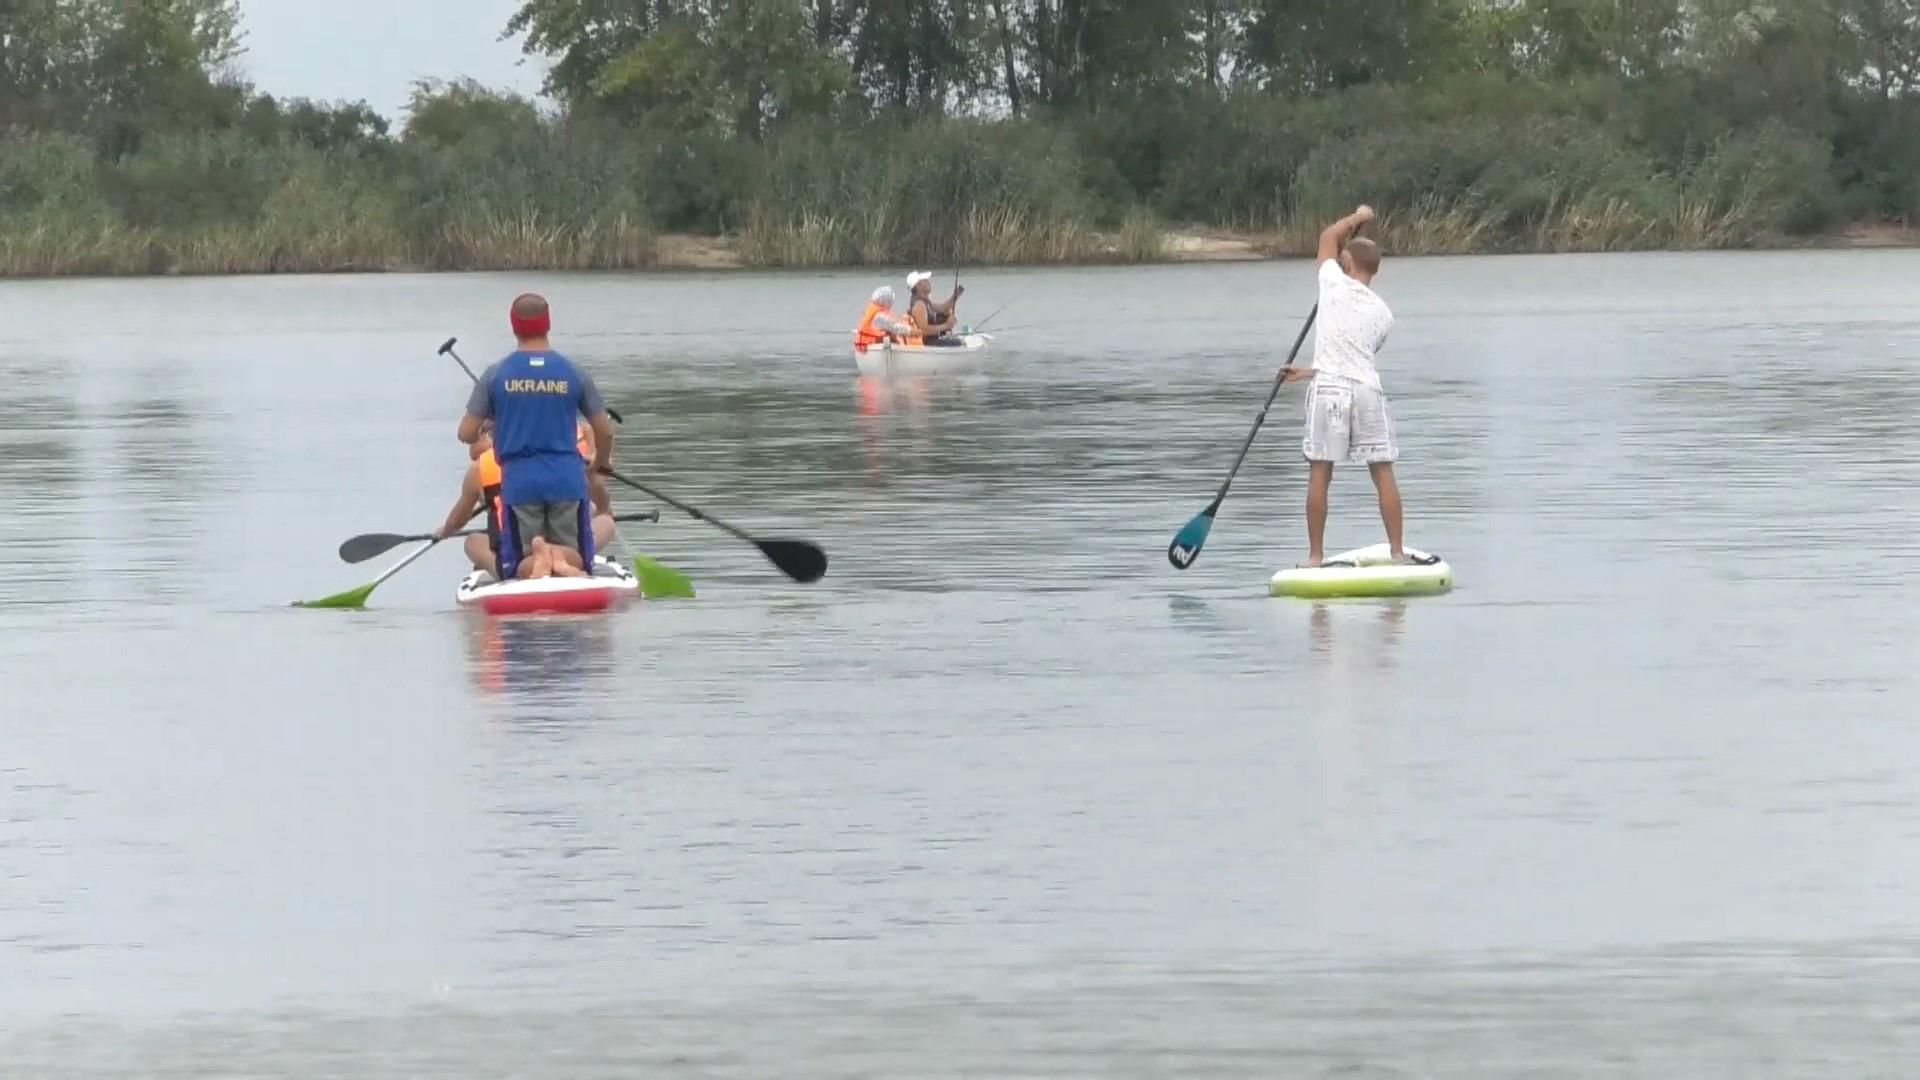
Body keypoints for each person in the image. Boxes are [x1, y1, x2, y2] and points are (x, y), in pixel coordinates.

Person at [1279, 204, 1420, 568]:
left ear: (1349, 264)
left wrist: (1358, 216)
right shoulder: (1384, 314)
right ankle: (1397, 552)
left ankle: (1314, 558)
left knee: (1320, 471)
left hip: (1330, 392)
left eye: (1343, 258)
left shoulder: (1332, 282)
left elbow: (1328, 236)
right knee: (1382, 470)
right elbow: (1353, 357)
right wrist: (1308, 371)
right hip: (1366, 392)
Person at [455, 293, 614, 580]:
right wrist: (599, 462)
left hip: (520, 482)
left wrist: (491, 423)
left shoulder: (495, 374)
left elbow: (466, 433)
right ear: (548, 325)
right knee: (578, 556)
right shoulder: (573, 372)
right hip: (566, 478)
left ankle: (539, 559)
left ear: (514, 326)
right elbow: (604, 430)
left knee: (518, 565)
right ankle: (564, 565)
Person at [435, 424, 615, 577]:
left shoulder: (479, 468)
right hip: (564, 536)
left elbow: (458, 520)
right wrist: (604, 508)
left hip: (515, 546)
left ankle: (529, 560)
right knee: (604, 520)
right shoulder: (568, 457)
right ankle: (559, 557)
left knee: (472, 541)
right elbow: (598, 492)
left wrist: (443, 532)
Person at [905, 270, 964, 345]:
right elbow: (924, 330)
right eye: (925, 280)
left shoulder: (925, 300)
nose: (929, 282)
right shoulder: (919, 305)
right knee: (958, 343)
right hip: (927, 343)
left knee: (944, 314)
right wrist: (946, 326)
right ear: (918, 285)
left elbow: (943, 308)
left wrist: (955, 295)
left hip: (933, 339)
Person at [854, 286, 918, 352]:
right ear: (886, 300)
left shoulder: (871, 309)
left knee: (889, 333)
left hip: (864, 348)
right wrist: (916, 332)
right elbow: (896, 327)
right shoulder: (880, 315)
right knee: (890, 334)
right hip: (872, 348)